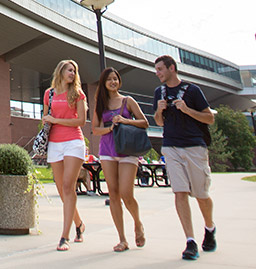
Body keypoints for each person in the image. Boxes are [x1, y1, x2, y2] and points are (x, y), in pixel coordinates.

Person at [154, 55, 217, 261]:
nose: (158, 73)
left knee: (201, 194)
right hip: (171, 146)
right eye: (156, 70)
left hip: (194, 146)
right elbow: (159, 123)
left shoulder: (193, 91)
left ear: (172, 68)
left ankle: (209, 228)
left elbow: (209, 118)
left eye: (161, 69)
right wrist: (159, 110)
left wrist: (187, 109)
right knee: (179, 192)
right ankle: (190, 241)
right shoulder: (159, 93)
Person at [92, 66, 149, 252]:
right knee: (113, 194)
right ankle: (122, 239)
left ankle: (138, 223)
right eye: (109, 79)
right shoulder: (100, 104)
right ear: (104, 83)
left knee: (126, 193)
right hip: (108, 150)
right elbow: (95, 129)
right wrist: (109, 128)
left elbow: (144, 123)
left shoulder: (127, 101)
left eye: (115, 79)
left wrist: (125, 121)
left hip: (127, 150)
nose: (113, 82)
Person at [43, 59, 88, 252]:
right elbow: (46, 118)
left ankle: (64, 236)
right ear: (61, 71)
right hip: (54, 143)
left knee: (69, 187)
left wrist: (56, 120)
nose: (72, 73)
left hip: (73, 142)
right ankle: (79, 223)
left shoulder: (77, 94)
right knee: (62, 190)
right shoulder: (49, 94)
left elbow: (81, 121)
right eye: (69, 70)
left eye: (74, 71)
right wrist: (48, 120)